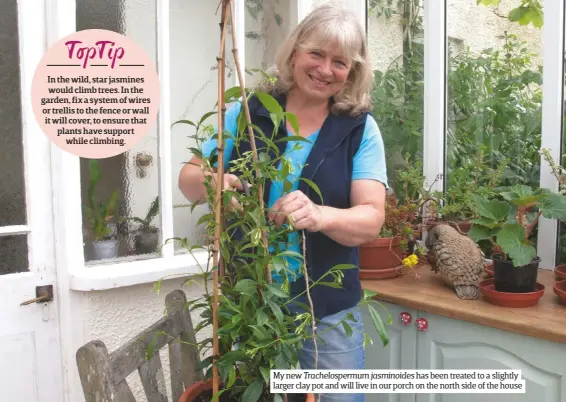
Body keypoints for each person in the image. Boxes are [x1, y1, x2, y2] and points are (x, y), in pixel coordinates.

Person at [178, 4, 388, 401]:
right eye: (317, 54)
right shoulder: (247, 112)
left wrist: (319, 214)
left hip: (325, 307)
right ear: (294, 52)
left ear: (353, 71)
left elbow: (371, 218)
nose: (325, 69)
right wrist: (215, 183)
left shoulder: (358, 129)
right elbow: (189, 179)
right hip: (250, 302)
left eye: (339, 62)